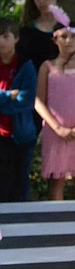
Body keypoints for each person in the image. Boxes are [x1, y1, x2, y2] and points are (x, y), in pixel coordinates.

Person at [35, 14, 75, 201]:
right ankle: (56, 223)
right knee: (57, 179)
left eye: (73, 36)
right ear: (55, 40)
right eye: (64, 36)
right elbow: (39, 101)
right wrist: (58, 128)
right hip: (55, 130)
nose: (69, 41)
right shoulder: (47, 67)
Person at [17, 0, 64, 200]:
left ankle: (57, 205)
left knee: (60, 159)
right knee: (24, 152)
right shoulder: (25, 32)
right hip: (31, 101)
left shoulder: (69, 29)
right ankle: (22, 201)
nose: (42, 1)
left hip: (62, 102)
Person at [0, 17, 37, 203]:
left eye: (5, 36)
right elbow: (14, 98)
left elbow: (26, 101)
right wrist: (8, 96)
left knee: (19, 184)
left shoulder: (25, 66)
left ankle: (20, 227)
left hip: (20, 135)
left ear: (16, 38)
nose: (1, 41)